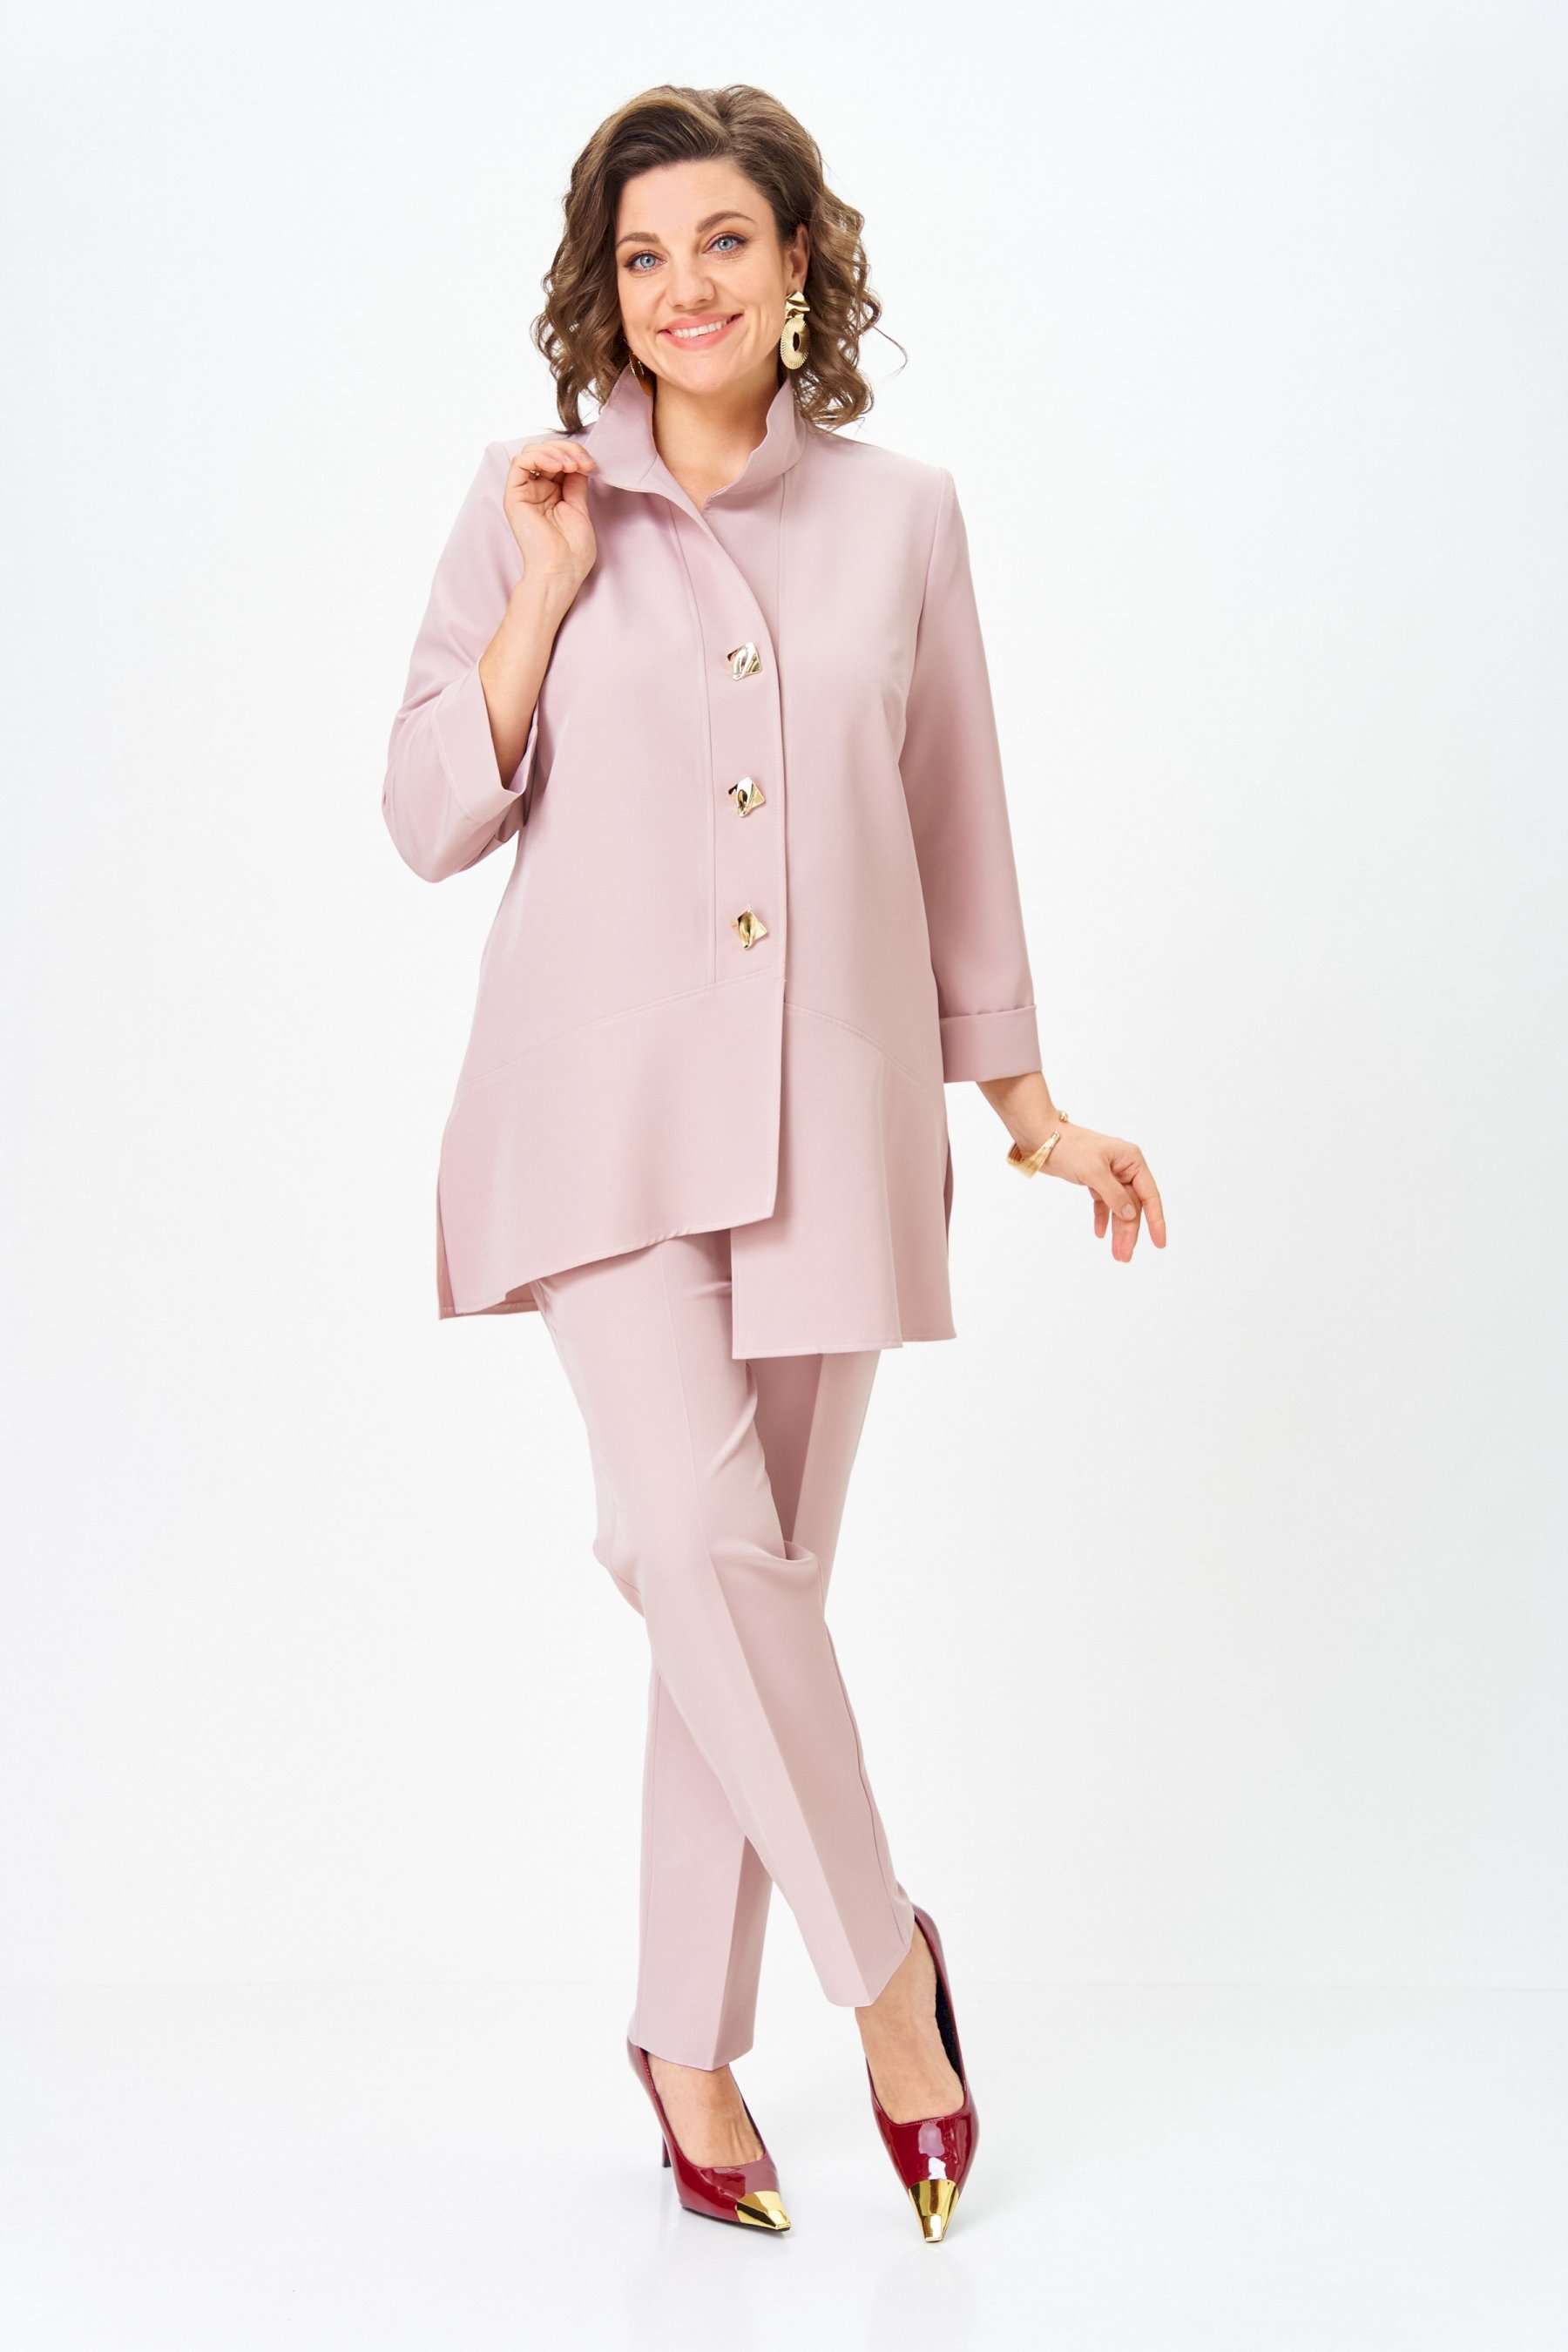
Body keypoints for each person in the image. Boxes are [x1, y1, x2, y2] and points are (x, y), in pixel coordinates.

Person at [381, 82, 1166, 2242]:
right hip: (601, 1125)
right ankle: (892, 1980)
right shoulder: (531, 501)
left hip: (836, 1116)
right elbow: (428, 813)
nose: (684, 288)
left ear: (797, 261)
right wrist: (545, 592)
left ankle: (684, 2040)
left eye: (722, 242)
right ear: (604, 291)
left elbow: (953, 813)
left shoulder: (904, 518)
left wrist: (1026, 1109)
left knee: (747, 1602)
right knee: (695, 1543)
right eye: (643, 258)